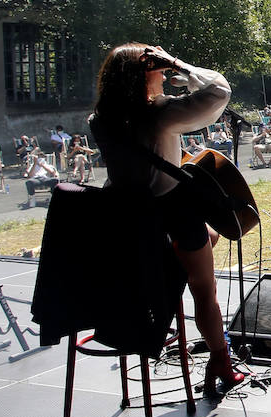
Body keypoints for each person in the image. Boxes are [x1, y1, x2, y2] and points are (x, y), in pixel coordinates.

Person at [87, 43, 243, 398]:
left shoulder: (100, 120)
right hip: (170, 216)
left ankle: (174, 269)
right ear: (144, 75)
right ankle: (220, 360)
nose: (161, 74)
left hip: (125, 224)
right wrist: (178, 62)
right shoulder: (159, 115)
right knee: (204, 289)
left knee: (209, 235)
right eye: (156, 69)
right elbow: (219, 92)